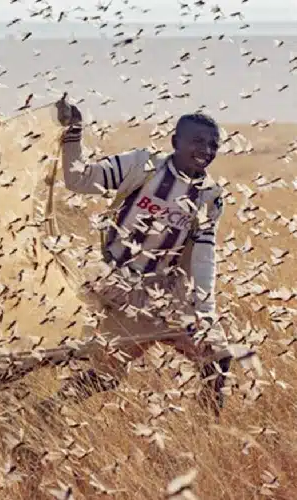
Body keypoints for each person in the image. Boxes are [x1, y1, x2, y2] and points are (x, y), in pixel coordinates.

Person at [42, 97, 233, 414]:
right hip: (122, 289)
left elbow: (203, 256)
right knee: (106, 374)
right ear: (175, 142)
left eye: (213, 145)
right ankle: (49, 410)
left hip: (169, 294)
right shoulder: (142, 165)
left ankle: (212, 431)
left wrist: (205, 310)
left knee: (217, 357)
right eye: (197, 141)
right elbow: (79, 179)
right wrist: (74, 133)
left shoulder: (210, 196)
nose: (207, 150)